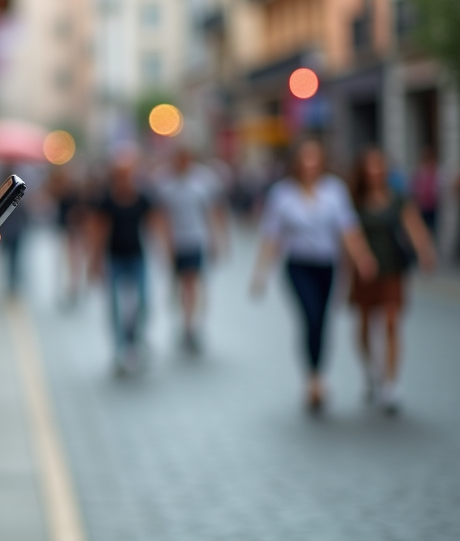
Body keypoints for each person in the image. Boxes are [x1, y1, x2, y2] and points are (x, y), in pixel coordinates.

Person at [250, 139, 377, 413]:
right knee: (310, 316)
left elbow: (348, 229)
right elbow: (272, 236)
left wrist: (362, 258)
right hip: (298, 265)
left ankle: (320, 373)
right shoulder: (283, 194)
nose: (309, 165)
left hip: (326, 265)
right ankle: (312, 379)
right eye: (304, 160)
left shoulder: (334, 191)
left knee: (322, 320)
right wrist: (260, 274)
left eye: (314, 159)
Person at [349, 148, 436, 413]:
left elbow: (414, 226)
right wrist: (360, 258)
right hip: (364, 271)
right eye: (370, 167)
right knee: (365, 324)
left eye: (379, 167)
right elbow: (348, 233)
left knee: (391, 321)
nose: (375, 172)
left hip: (392, 269)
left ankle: (391, 383)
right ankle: (369, 371)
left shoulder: (397, 198)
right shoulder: (355, 200)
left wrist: (424, 251)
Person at [88, 150, 161, 374]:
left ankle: (135, 339)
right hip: (114, 259)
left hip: (137, 257)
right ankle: (120, 348)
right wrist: (95, 261)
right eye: (120, 174)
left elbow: (155, 223)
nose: (125, 178)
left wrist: (162, 250)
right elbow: (99, 231)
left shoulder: (142, 198)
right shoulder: (107, 201)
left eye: (128, 173)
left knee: (143, 302)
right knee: (115, 306)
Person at [152, 148, 228, 354]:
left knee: (193, 283)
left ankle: (192, 326)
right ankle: (184, 322)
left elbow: (212, 212)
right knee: (180, 286)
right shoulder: (164, 183)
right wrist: (163, 245)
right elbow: (161, 217)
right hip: (176, 243)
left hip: (196, 240)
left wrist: (217, 240)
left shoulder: (203, 181)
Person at [48, 166, 87, 306]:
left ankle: (73, 288)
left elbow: (81, 211)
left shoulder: (77, 193)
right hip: (63, 230)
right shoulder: (60, 191)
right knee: (63, 262)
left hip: (74, 231)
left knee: (74, 262)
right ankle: (64, 289)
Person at [410, 147, 440, 241]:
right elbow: (414, 188)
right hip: (422, 206)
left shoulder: (436, 172)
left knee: (434, 227)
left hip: (434, 206)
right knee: (424, 227)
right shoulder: (420, 172)